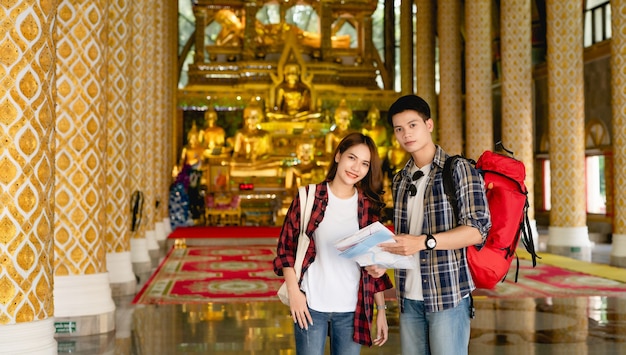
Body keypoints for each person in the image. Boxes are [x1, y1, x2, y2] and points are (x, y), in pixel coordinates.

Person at [376, 94, 491, 355]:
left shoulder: (458, 169)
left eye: (412, 125)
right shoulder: (400, 180)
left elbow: (478, 229)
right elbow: (405, 239)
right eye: (399, 129)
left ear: (429, 125)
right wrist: (380, 259)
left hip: (447, 294)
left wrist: (425, 242)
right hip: (409, 297)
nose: (406, 134)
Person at [273, 132, 393, 354]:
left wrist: (381, 310)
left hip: (352, 309)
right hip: (311, 306)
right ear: (338, 155)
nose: (356, 168)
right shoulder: (308, 196)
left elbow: (374, 264)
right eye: (352, 158)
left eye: (364, 163)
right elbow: (286, 249)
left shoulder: (368, 206)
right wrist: (295, 294)